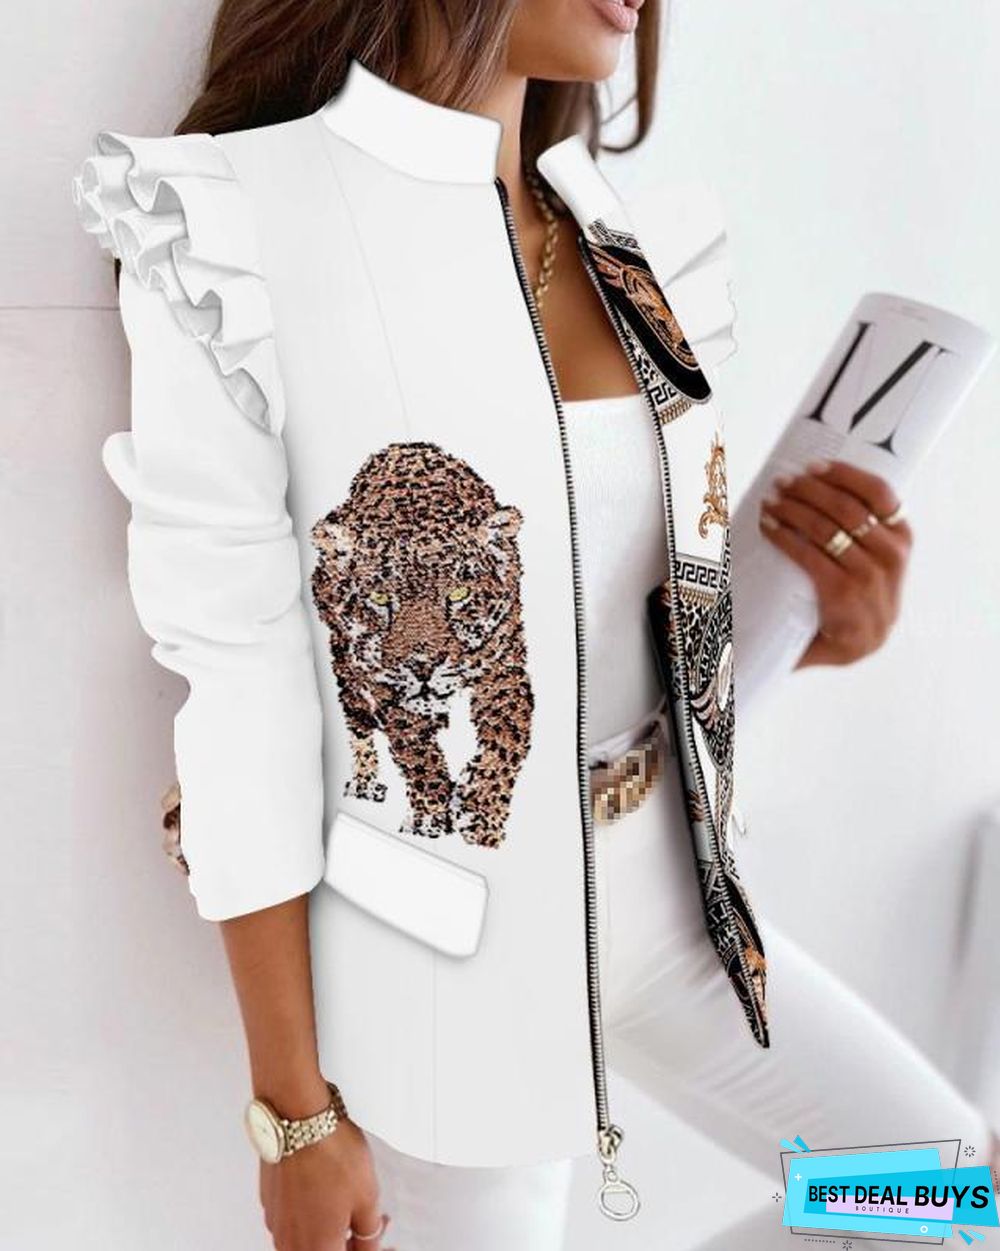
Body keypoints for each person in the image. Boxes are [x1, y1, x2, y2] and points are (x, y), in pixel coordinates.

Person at [72, 2, 998, 1247]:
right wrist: (295, 1111)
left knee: (950, 1194)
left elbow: (610, 623)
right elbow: (240, 681)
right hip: (447, 944)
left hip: (663, 893)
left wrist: (812, 629)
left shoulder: (610, 242)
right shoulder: (237, 223)